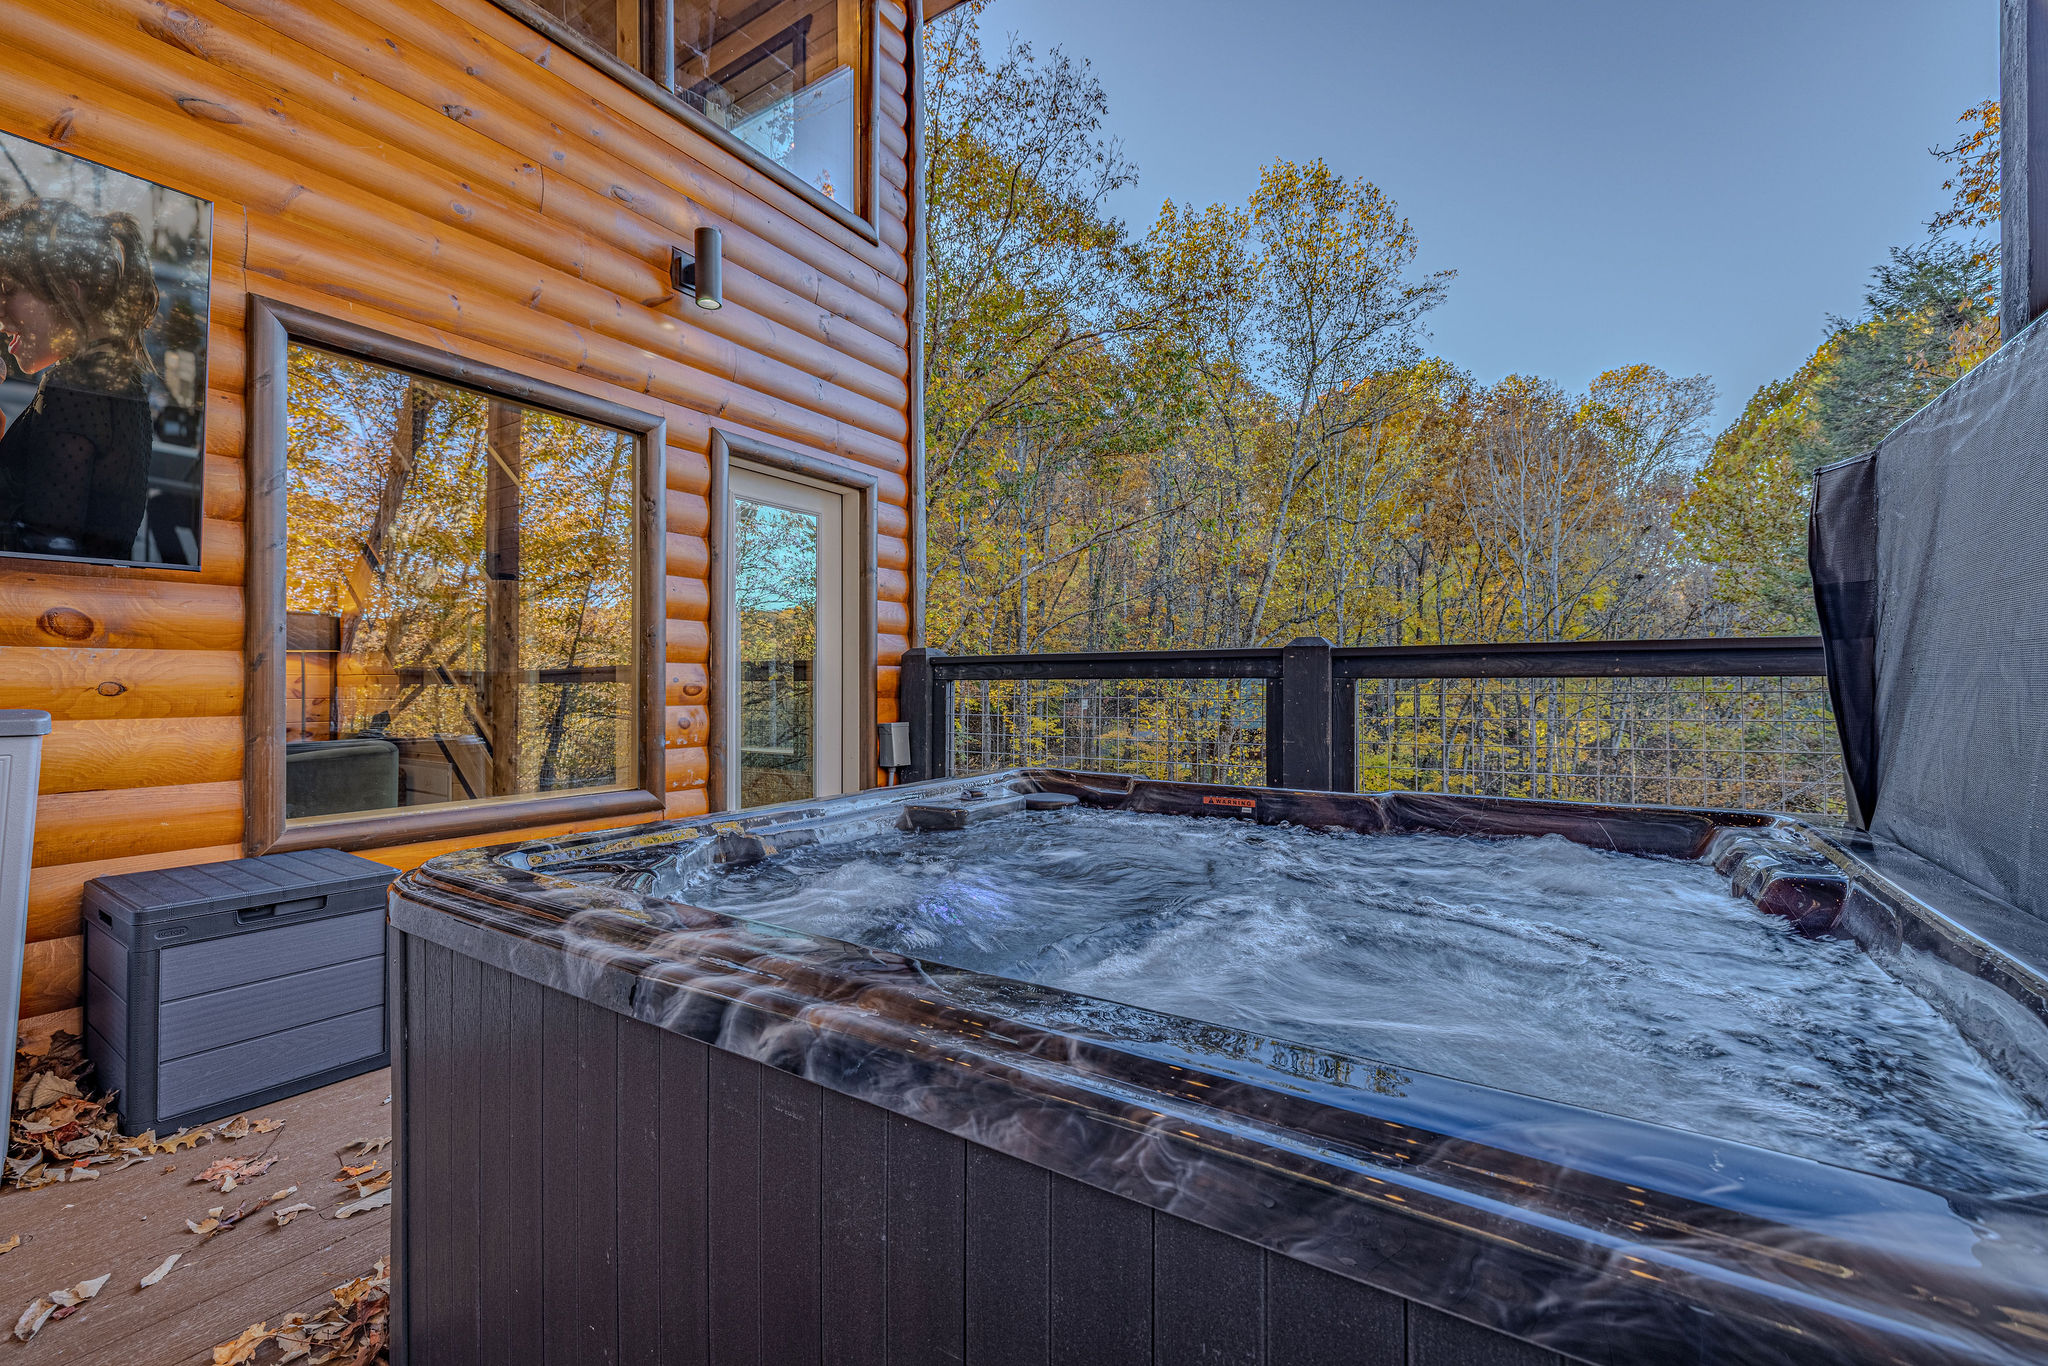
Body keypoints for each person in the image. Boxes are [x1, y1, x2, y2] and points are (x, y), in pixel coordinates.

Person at [0, 198, 159, 560]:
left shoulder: (76, 387)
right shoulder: (116, 381)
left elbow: (46, 549)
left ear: (66, 293)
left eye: (9, 291)